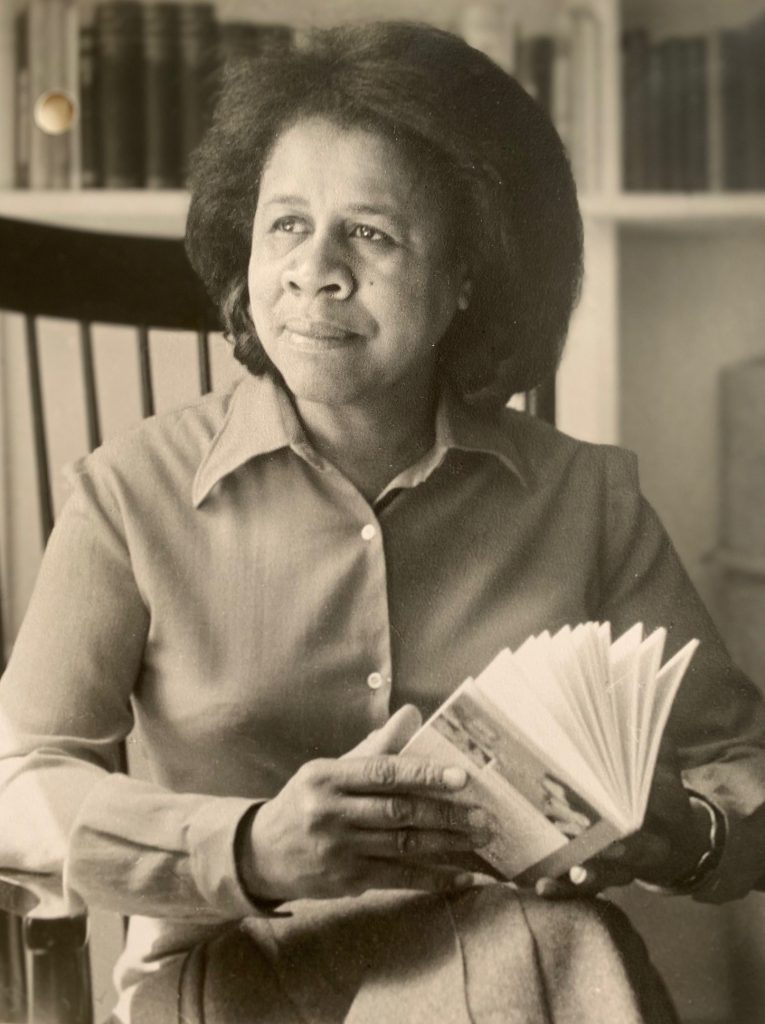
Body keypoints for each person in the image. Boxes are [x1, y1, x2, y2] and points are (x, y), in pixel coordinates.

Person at [2, 21, 764, 1024]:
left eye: (370, 233)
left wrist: (687, 835)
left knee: (539, 941)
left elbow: (738, 761)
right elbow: (17, 785)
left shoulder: (585, 499)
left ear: (468, 276)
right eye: (285, 225)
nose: (312, 270)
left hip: (511, 950)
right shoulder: (129, 494)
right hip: (238, 968)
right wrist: (247, 846)